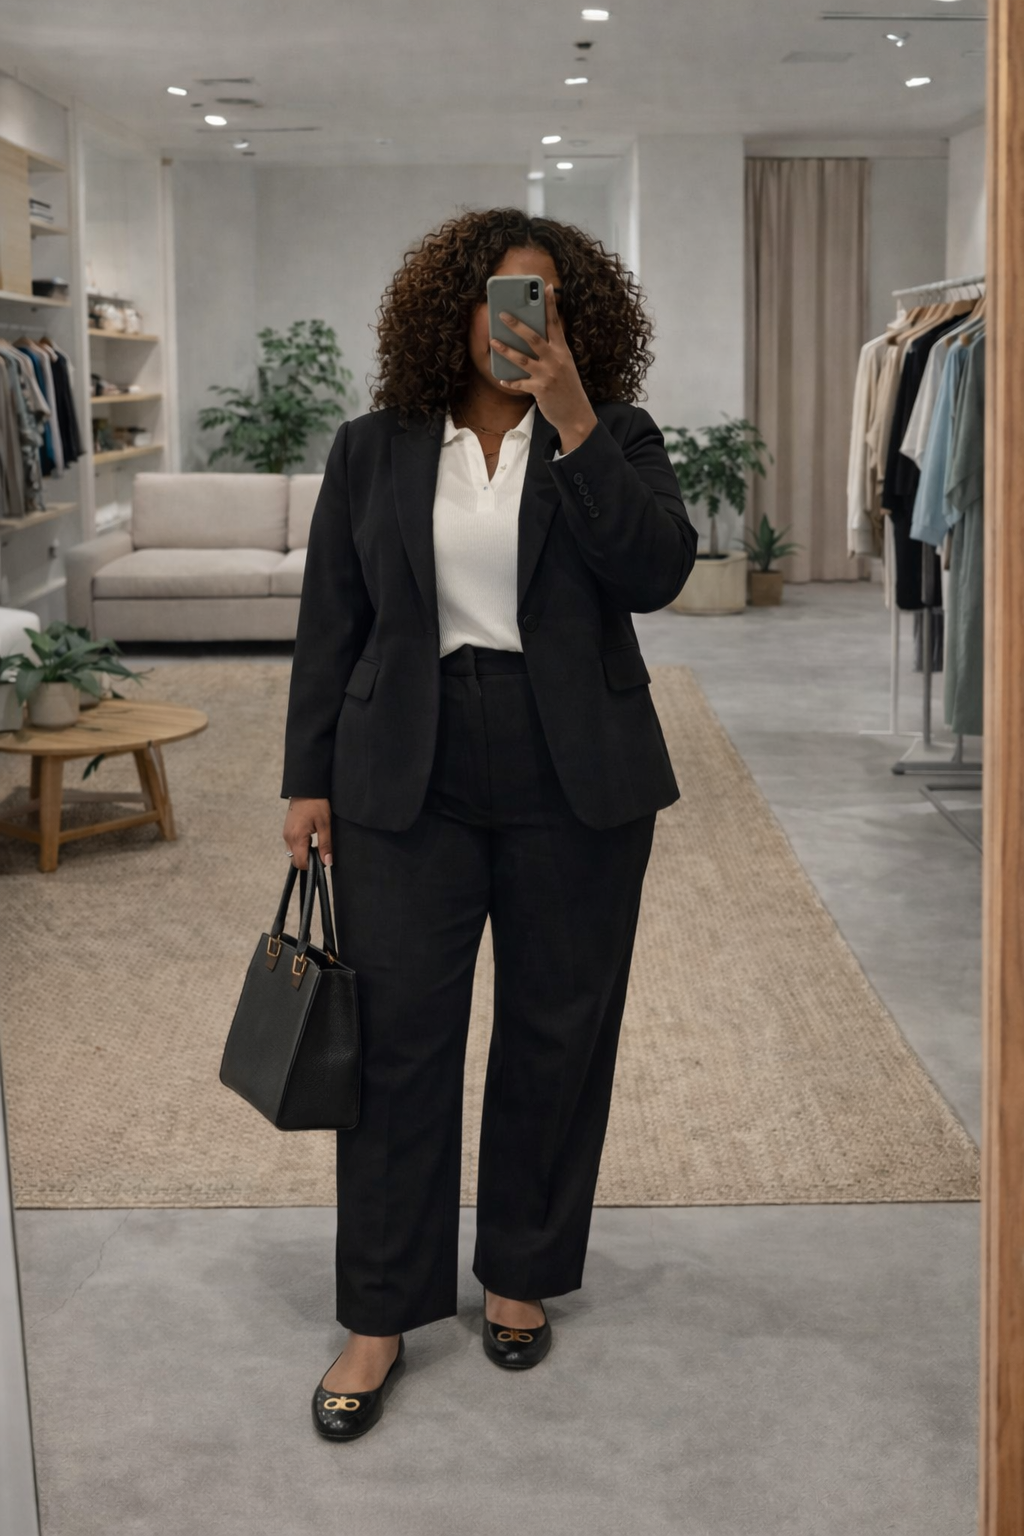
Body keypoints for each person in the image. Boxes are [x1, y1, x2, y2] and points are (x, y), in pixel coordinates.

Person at [280, 208, 697, 1441]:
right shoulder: (373, 448)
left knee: (556, 1031)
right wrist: (308, 779)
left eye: (548, 301)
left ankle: (519, 1269)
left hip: (578, 771)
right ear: (448, 310)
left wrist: (572, 421)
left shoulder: (614, 436)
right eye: (505, 296)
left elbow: (659, 573)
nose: (525, 321)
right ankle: (378, 1312)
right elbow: (331, 622)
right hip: (405, 764)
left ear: (576, 321)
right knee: (398, 1044)